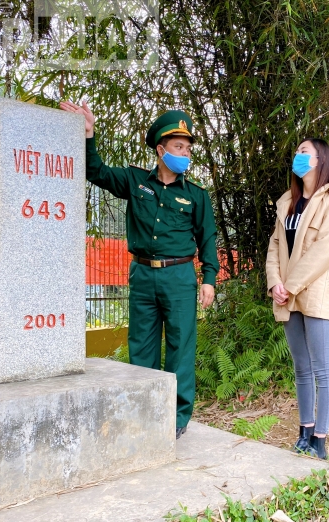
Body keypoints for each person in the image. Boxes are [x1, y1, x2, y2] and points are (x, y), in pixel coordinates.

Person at [60, 101, 219, 440]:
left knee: (180, 346)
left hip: (179, 277)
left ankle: (176, 416)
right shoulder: (135, 181)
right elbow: (97, 172)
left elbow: (208, 238)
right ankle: (143, 408)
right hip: (143, 275)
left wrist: (208, 280)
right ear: (160, 150)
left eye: (188, 148)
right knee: (142, 347)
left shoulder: (196, 196)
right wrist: (89, 135)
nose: (185, 153)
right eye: (178, 147)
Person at [265, 138, 329, 459]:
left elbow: (323, 252)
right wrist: (276, 283)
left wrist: (290, 284)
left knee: (323, 369)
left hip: (315, 291)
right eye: (297, 151)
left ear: (320, 160)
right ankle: (304, 431)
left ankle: (320, 439)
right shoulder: (287, 202)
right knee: (301, 367)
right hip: (287, 293)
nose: (297, 156)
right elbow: (275, 247)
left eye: (304, 152)